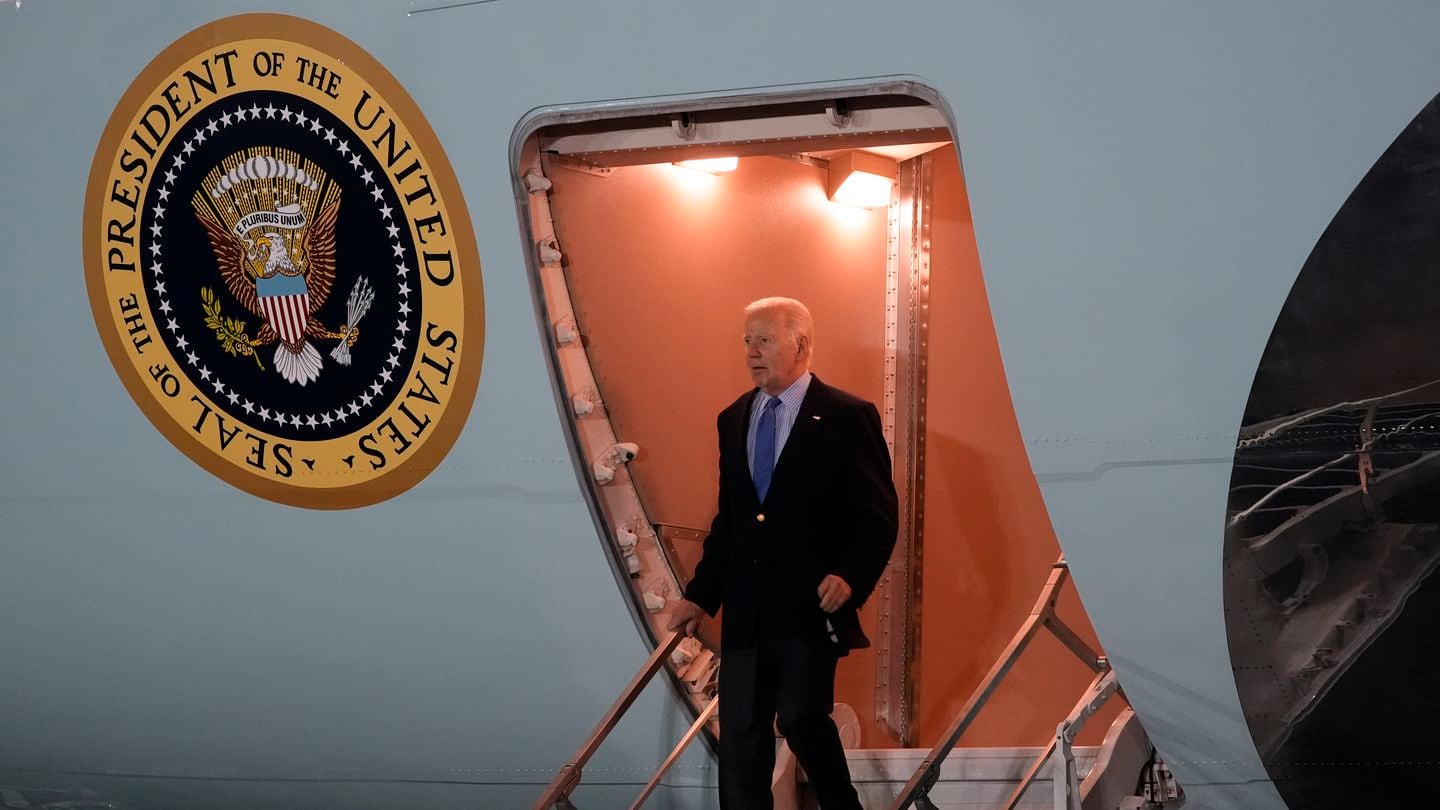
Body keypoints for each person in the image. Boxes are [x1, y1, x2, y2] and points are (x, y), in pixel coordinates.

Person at [668, 296, 899, 810]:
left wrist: (850, 575)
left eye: (764, 340)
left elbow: (878, 516)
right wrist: (699, 596)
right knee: (742, 740)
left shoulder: (846, 416)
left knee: (799, 718)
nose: (752, 351)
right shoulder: (733, 418)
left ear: (801, 345)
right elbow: (730, 520)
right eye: (747, 341)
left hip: (808, 610)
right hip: (747, 610)